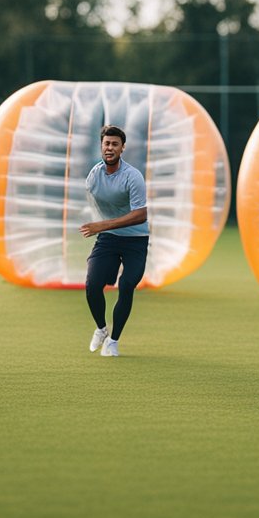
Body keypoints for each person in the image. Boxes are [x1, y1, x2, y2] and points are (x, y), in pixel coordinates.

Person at [80, 124, 148, 358]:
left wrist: (102, 225)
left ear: (123, 148)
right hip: (108, 239)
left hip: (136, 239)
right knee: (92, 285)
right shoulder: (93, 176)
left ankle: (114, 340)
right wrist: (102, 227)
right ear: (101, 146)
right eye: (106, 143)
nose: (110, 148)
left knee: (127, 285)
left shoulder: (133, 176)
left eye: (115, 144)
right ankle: (101, 329)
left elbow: (141, 214)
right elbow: (98, 207)